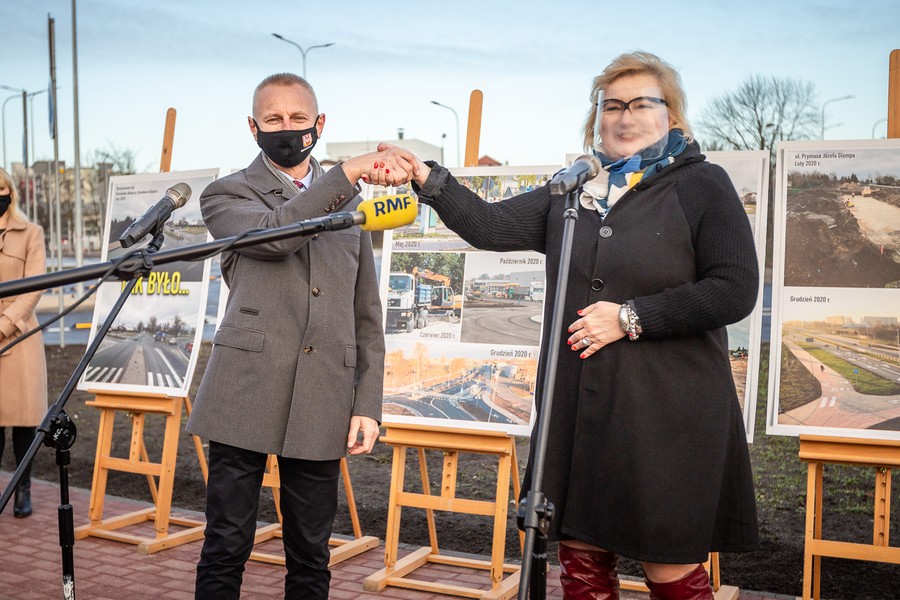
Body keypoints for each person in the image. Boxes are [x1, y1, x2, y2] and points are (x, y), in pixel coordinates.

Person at [380, 51, 760, 599]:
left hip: (666, 412)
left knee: (669, 568)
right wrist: (426, 177)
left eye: (640, 103)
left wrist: (632, 316)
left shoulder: (703, 186)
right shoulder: (573, 191)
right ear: (596, 119)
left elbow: (734, 288)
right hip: (577, 410)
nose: (624, 116)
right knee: (581, 563)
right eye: (611, 106)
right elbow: (489, 225)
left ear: (670, 117)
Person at [186, 73, 415, 599]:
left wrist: (368, 403)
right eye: (273, 119)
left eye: (297, 118)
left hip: (322, 395)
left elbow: (366, 317)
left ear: (319, 123)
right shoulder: (226, 194)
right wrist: (348, 173)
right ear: (253, 127)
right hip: (244, 389)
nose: (286, 128)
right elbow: (274, 237)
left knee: (311, 554)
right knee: (226, 544)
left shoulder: (351, 209)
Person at [0, 167, 48, 519]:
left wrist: (3, 325)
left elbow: (33, 287)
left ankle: (23, 488)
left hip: (20, 335)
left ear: (11, 192)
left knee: (23, 422)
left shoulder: (32, 233)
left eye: (1, 187)